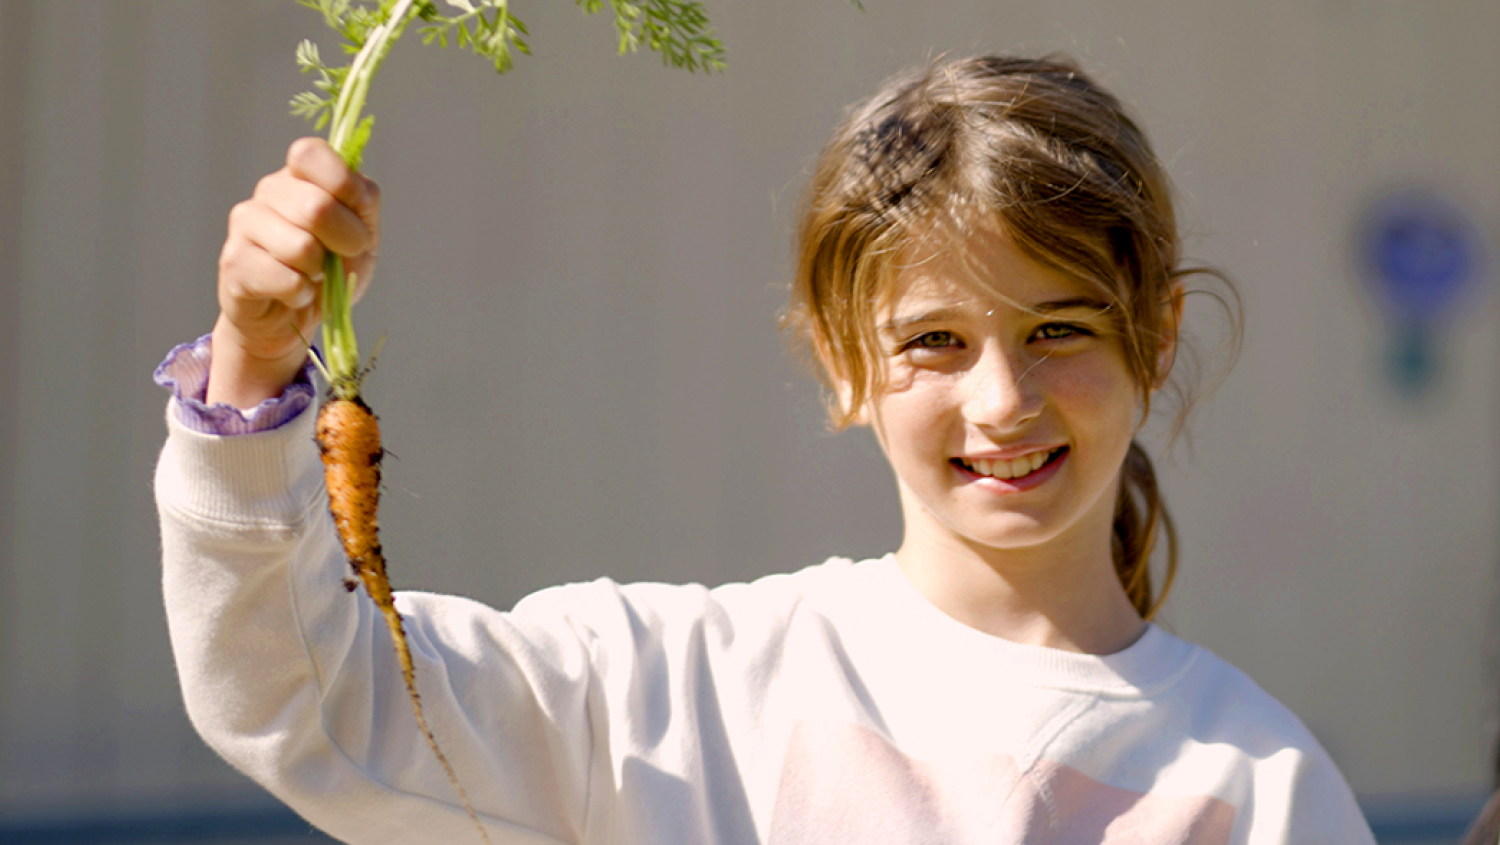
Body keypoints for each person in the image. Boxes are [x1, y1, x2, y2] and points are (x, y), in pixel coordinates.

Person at [155, 55, 1377, 843]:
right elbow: (308, 699)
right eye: (935, 341)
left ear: (1158, 337)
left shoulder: (1262, 788)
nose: (1004, 398)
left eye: (1059, 327)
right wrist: (256, 367)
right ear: (842, 361)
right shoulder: (662, 689)